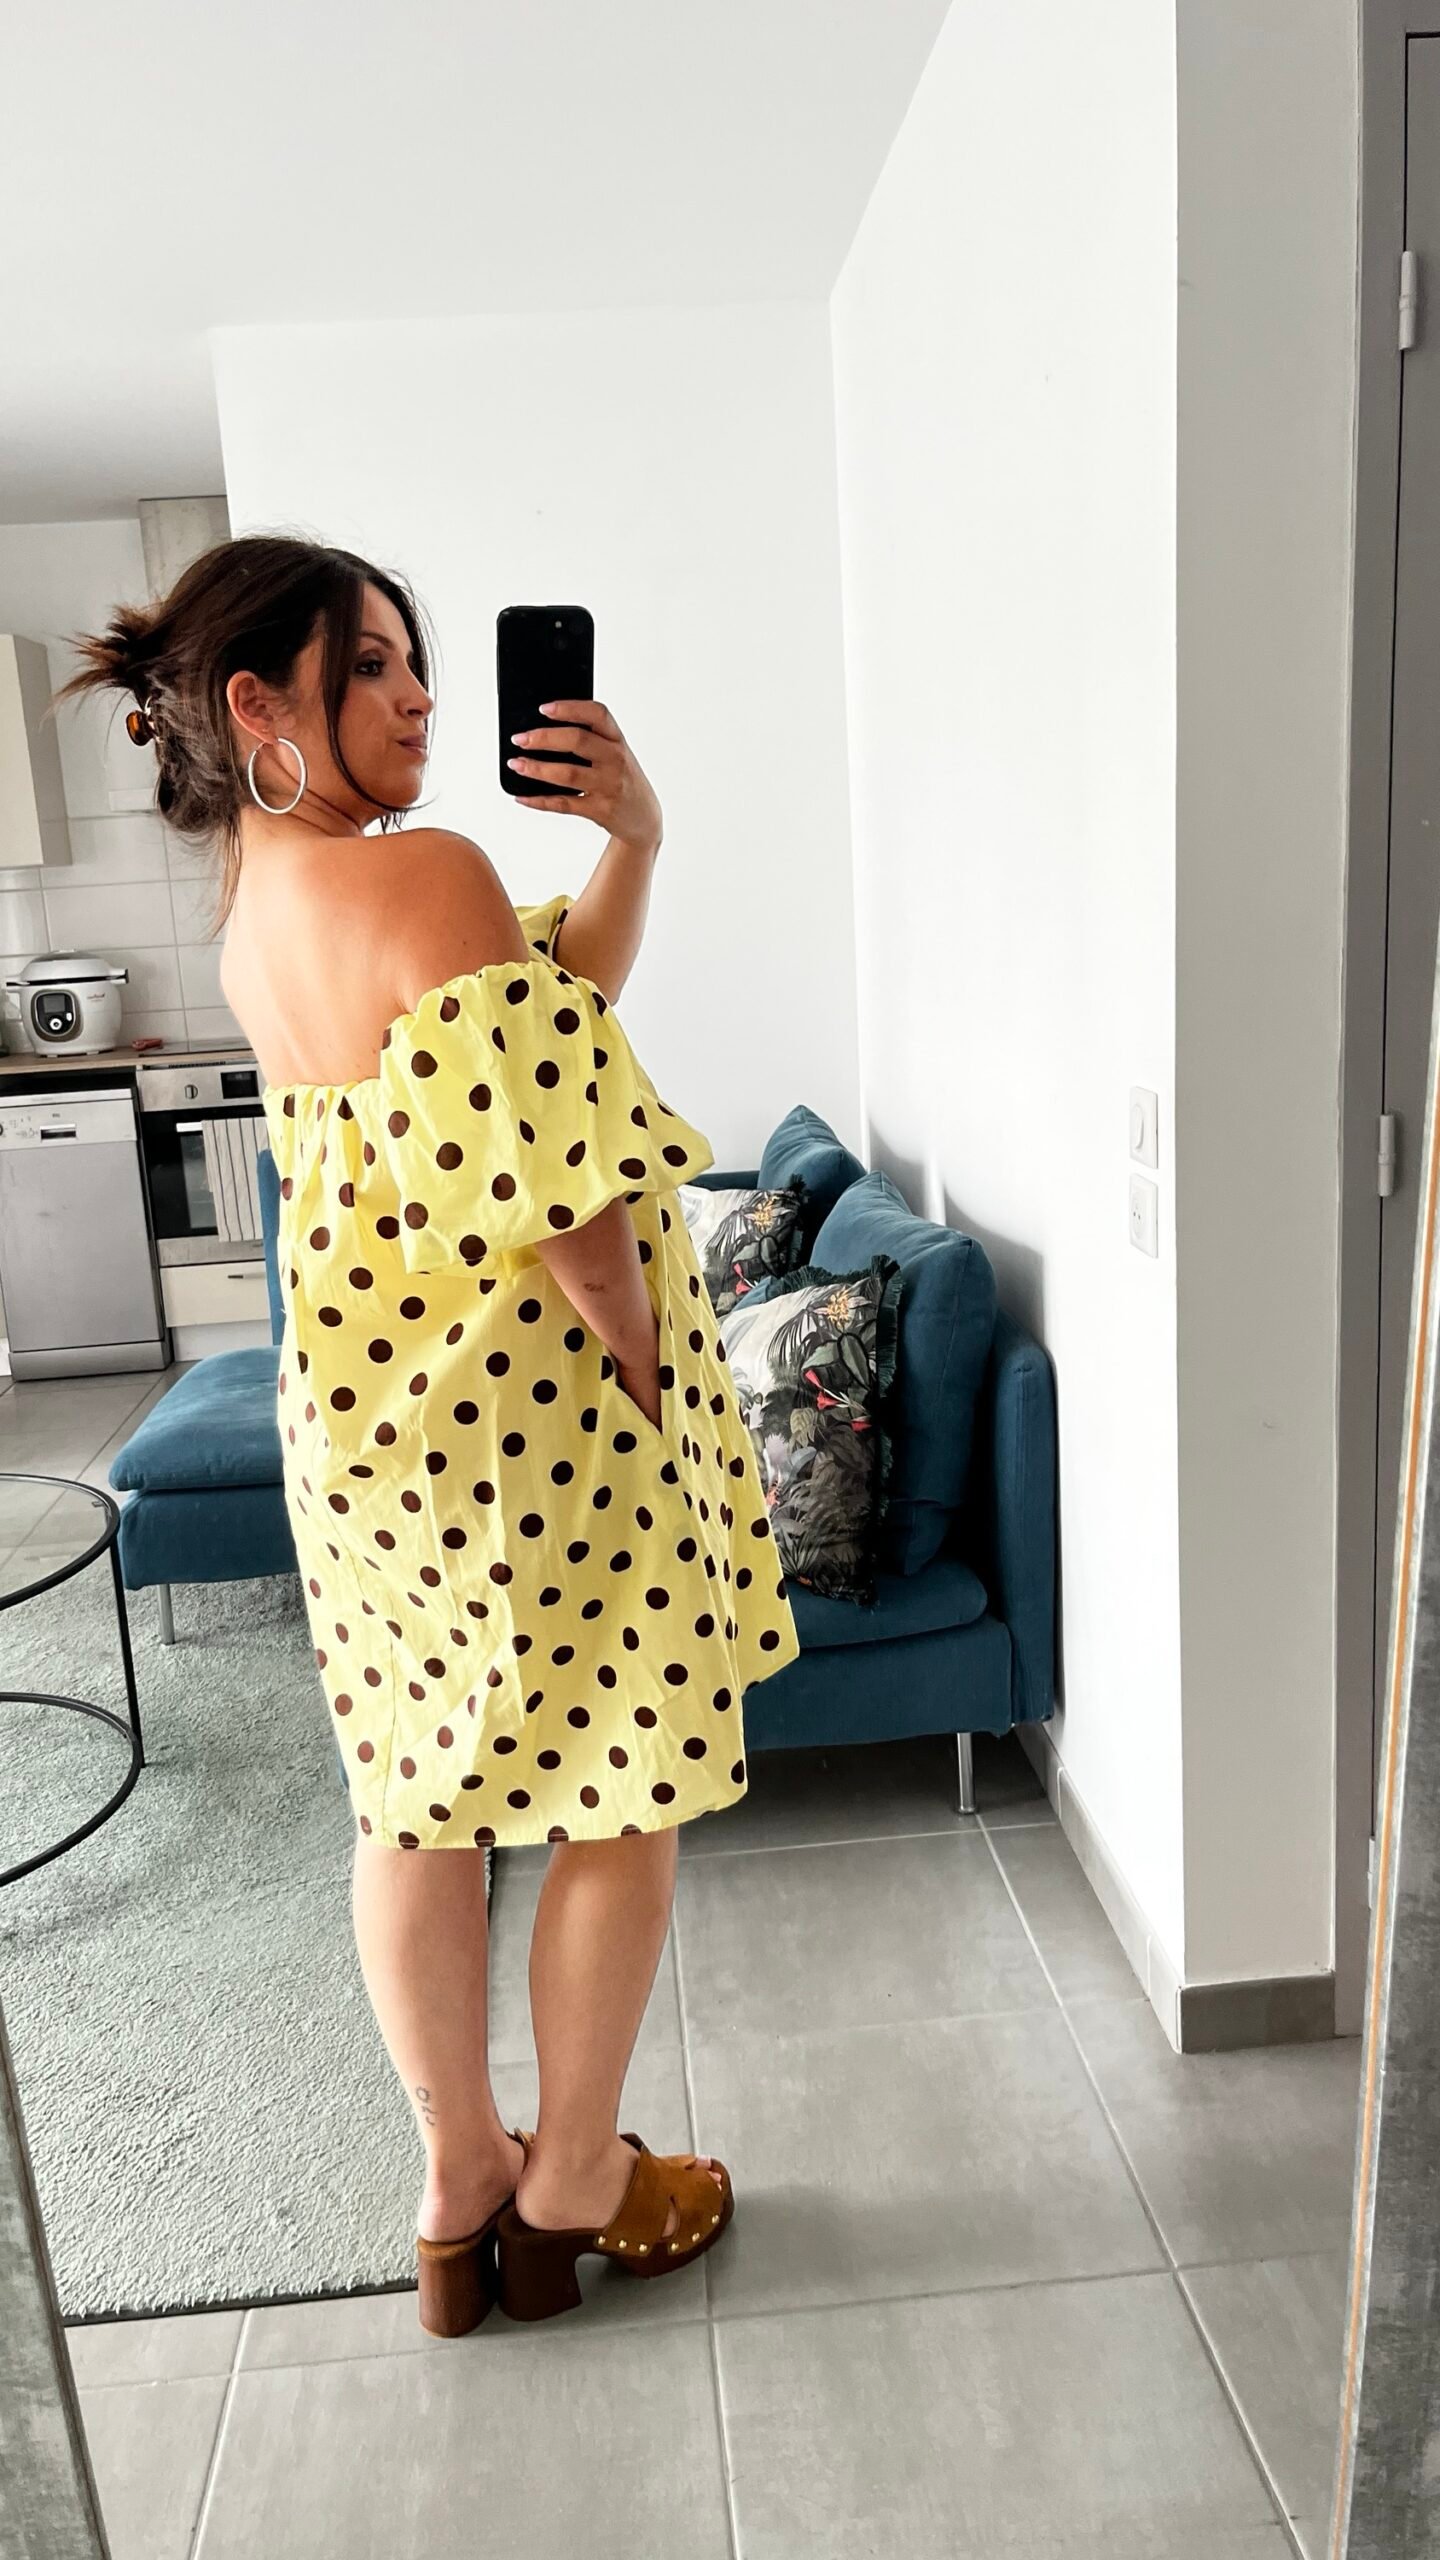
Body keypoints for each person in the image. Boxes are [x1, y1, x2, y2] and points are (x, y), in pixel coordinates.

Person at [61, 534, 800, 2332]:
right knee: (622, 1789)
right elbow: (572, 1199)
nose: (419, 696)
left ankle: (459, 2182)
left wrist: (630, 840)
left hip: (370, 1439)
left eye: (415, 660)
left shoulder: (263, 915)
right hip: (536, 1422)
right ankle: (576, 2183)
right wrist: (647, 1371)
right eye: (374, 664)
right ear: (261, 705)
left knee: (416, 1801)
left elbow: (554, 1009)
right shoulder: (428, 874)